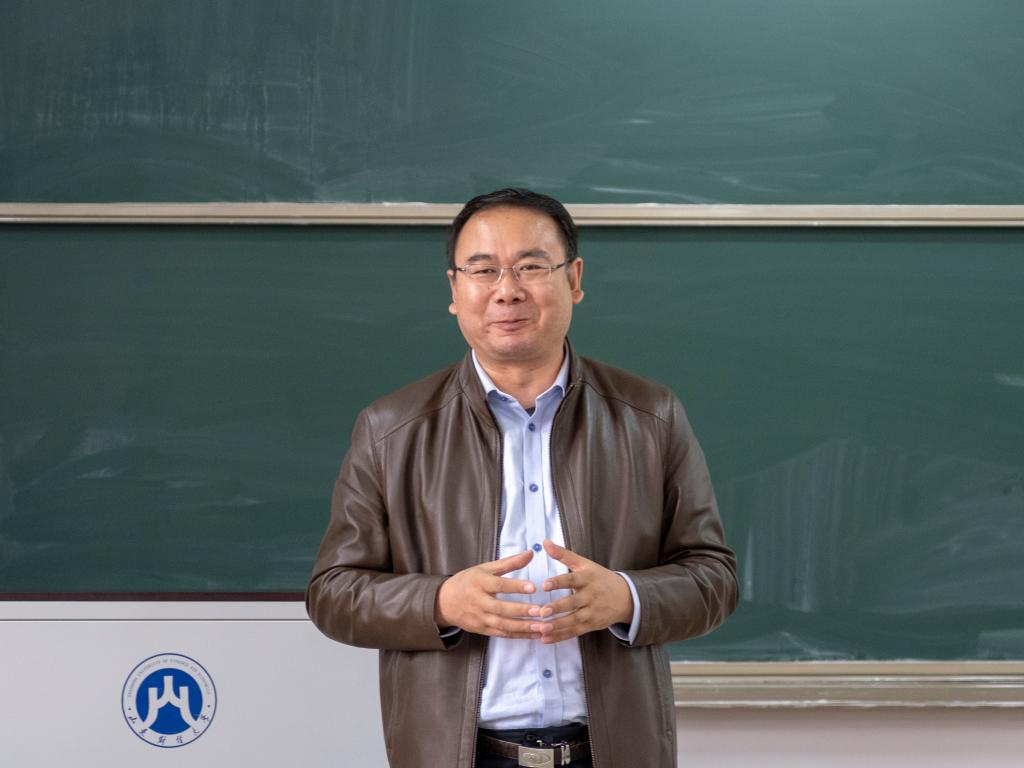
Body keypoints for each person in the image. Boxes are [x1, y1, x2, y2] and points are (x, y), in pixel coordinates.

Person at [307, 187, 738, 768]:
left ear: (574, 279)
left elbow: (713, 578)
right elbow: (333, 593)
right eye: (483, 270)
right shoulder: (391, 429)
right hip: (457, 752)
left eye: (531, 267)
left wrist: (626, 597)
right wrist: (440, 601)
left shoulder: (650, 417)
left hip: (613, 749)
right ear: (455, 290)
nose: (506, 289)